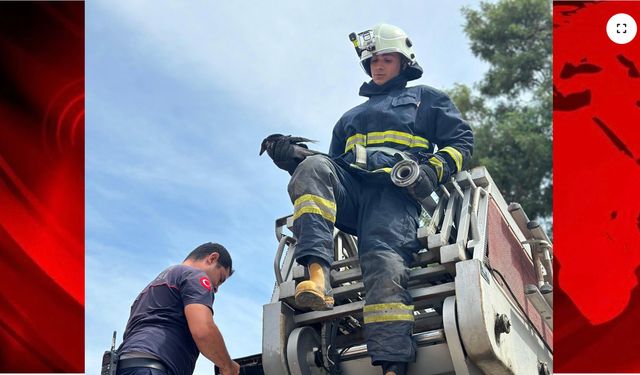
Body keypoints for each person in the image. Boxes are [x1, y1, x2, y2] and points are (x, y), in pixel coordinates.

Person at [262, 23, 473, 375]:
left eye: (386, 59)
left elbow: (461, 142)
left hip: (394, 197)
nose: (377, 66)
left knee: (384, 266)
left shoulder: (426, 98)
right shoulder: (349, 119)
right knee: (313, 166)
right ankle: (316, 277)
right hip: (356, 194)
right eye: (373, 60)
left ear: (404, 63)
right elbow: (330, 170)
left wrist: (431, 171)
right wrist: (296, 158)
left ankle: (391, 366)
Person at [115, 242, 240, 375]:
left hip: (127, 364)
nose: (216, 289)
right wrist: (228, 366)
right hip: (154, 367)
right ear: (212, 258)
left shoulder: (148, 291)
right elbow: (203, 330)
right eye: (220, 279)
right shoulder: (195, 276)